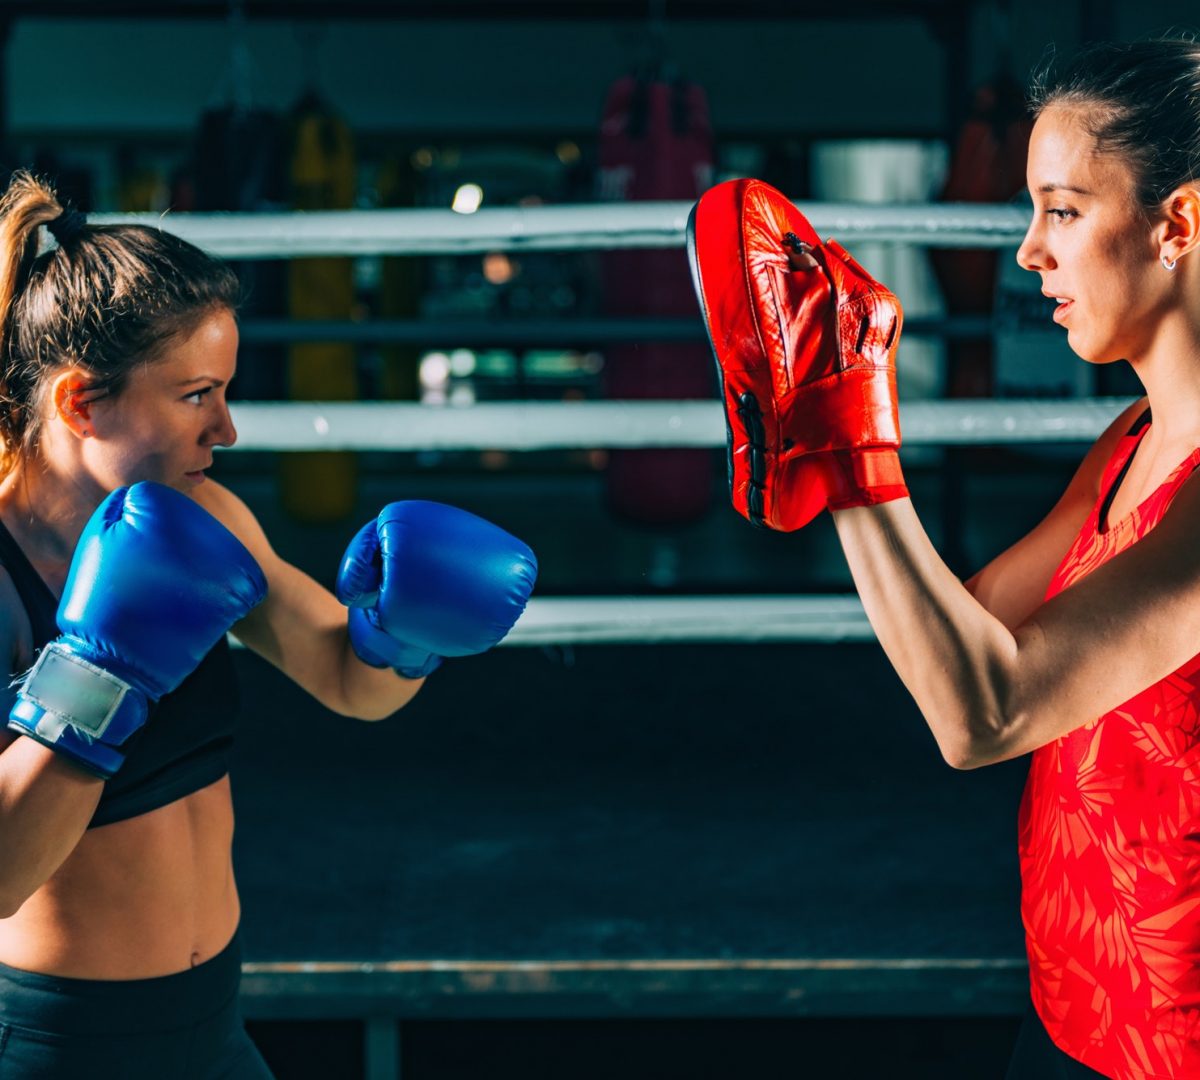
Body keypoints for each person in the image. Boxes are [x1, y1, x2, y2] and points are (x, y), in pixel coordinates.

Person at [689, 37, 1200, 1080]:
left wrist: (852, 443)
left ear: (1178, 224)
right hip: (1066, 1018)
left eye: (1061, 210)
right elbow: (970, 633)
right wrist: (828, 444)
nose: (1026, 252)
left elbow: (988, 714)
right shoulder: (1133, 441)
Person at [0, 171, 538, 1078]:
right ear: (80, 403)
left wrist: (396, 635)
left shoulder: (209, 517)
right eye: (195, 395)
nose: (228, 430)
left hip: (215, 1032)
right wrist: (97, 677)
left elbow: (344, 681)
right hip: (64, 1047)